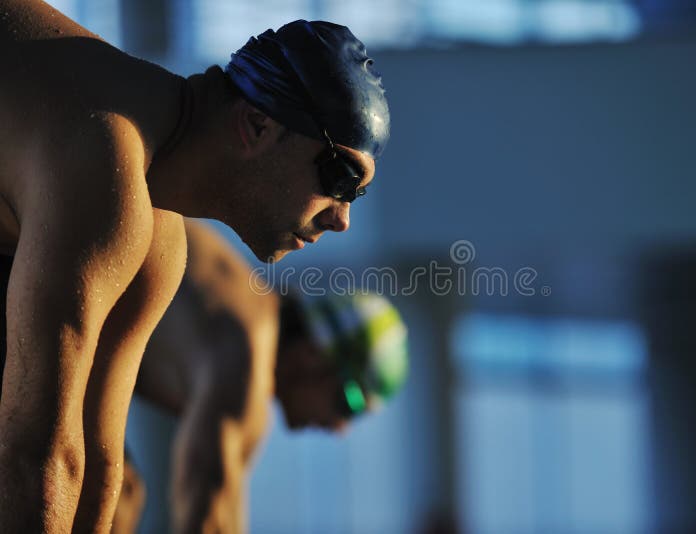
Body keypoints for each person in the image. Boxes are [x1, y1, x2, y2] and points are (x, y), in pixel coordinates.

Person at [0, 0, 390, 530]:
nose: (341, 219)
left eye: (357, 197)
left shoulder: (160, 242)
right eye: (339, 177)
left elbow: (94, 468)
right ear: (256, 124)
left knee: (119, 494)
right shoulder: (105, 164)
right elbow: (37, 461)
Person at [115, 220, 408, 534]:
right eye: (347, 402)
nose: (339, 428)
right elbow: (208, 522)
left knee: (122, 493)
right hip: (64, 270)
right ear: (315, 354)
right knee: (113, 500)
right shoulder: (248, 361)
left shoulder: (247, 314)